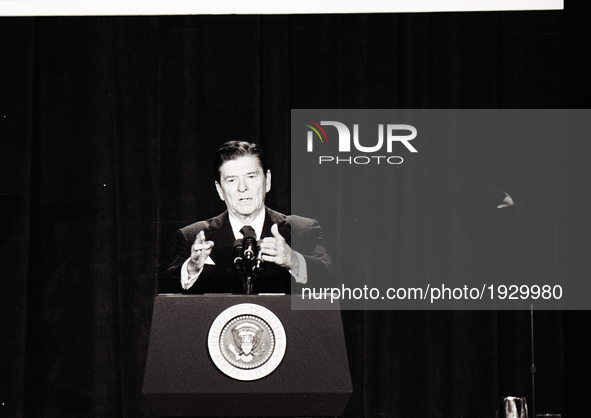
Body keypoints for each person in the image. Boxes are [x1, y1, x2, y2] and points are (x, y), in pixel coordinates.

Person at [162, 141, 332, 294]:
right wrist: (192, 267)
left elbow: (330, 280)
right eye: (232, 180)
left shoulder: (302, 230)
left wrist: (292, 259)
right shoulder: (192, 236)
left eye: (251, 177)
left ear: (268, 181)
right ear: (220, 190)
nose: (242, 188)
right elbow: (167, 294)